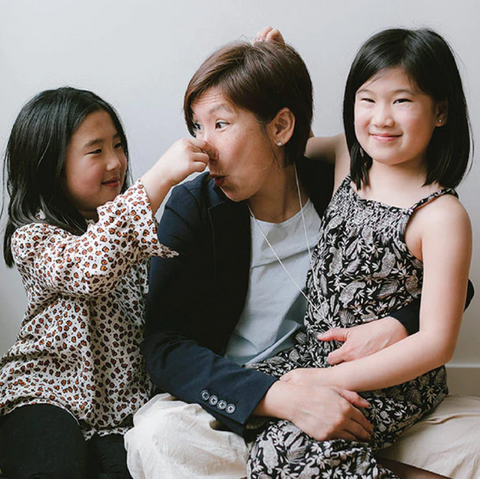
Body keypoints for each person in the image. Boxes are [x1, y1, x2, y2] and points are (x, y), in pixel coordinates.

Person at [124, 35, 455, 479]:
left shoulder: (338, 180)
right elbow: (164, 346)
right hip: (248, 382)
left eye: (221, 124)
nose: (204, 148)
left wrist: (397, 324)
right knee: (158, 435)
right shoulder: (195, 205)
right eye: (197, 128)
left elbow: (435, 278)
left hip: (335, 372)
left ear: (281, 128)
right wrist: (278, 395)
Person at [247, 27, 473, 478]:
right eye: (367, 99)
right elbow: (289, 137)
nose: (381, 118)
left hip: (390, 382)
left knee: (284, 455)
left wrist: (328, 381)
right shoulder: (350, 162)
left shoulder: (441, 215)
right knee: (246, 406)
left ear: (441, 112)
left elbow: (436, 342)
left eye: (402, 101)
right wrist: (278, 68)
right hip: (316, 352)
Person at [0, 87, 213, 478]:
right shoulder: (33, 237)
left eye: (118, 145)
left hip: (121, 413)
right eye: (96, 151)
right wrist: (160, 176)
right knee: (53, 466)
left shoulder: (136, 236)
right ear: (49, 164)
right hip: (46, 396)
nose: (116, 161)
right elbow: (91, 267)